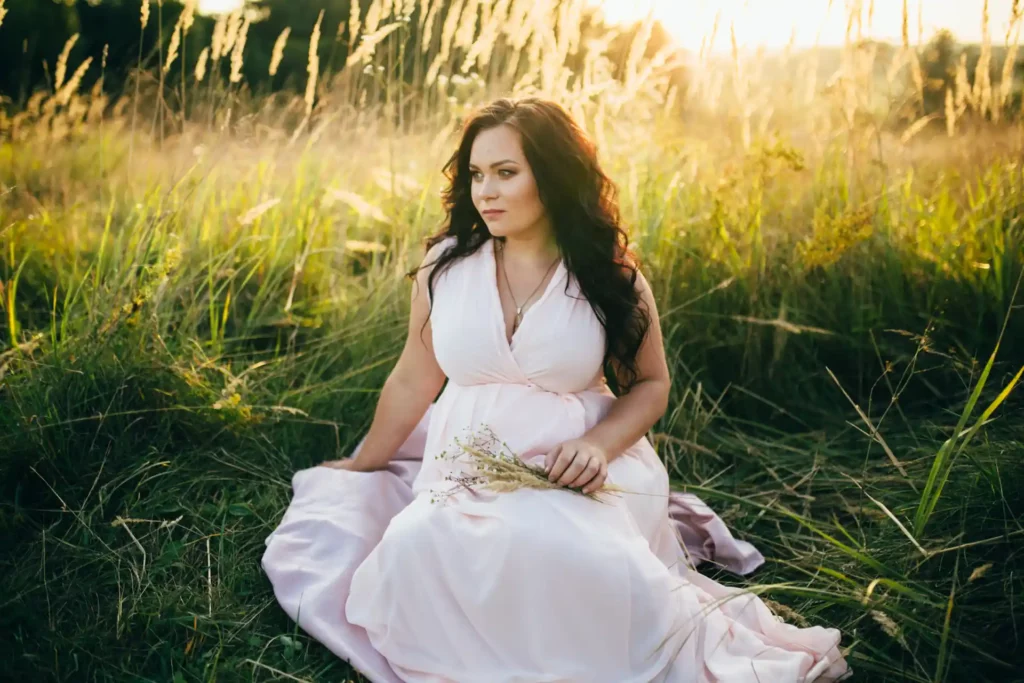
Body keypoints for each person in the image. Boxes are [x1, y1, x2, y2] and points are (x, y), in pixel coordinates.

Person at [262, 97, 850, 682]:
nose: (485, 191)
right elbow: (415, 373)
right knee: (419, 551)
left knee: (585, 561)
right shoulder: (445, 267)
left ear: (553, 175)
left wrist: (598, 446)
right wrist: (367, 461)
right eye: (475, 174)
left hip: (575, 465)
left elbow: (650, 385)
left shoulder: (608, 274)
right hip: (471, 466)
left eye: (506, 173)